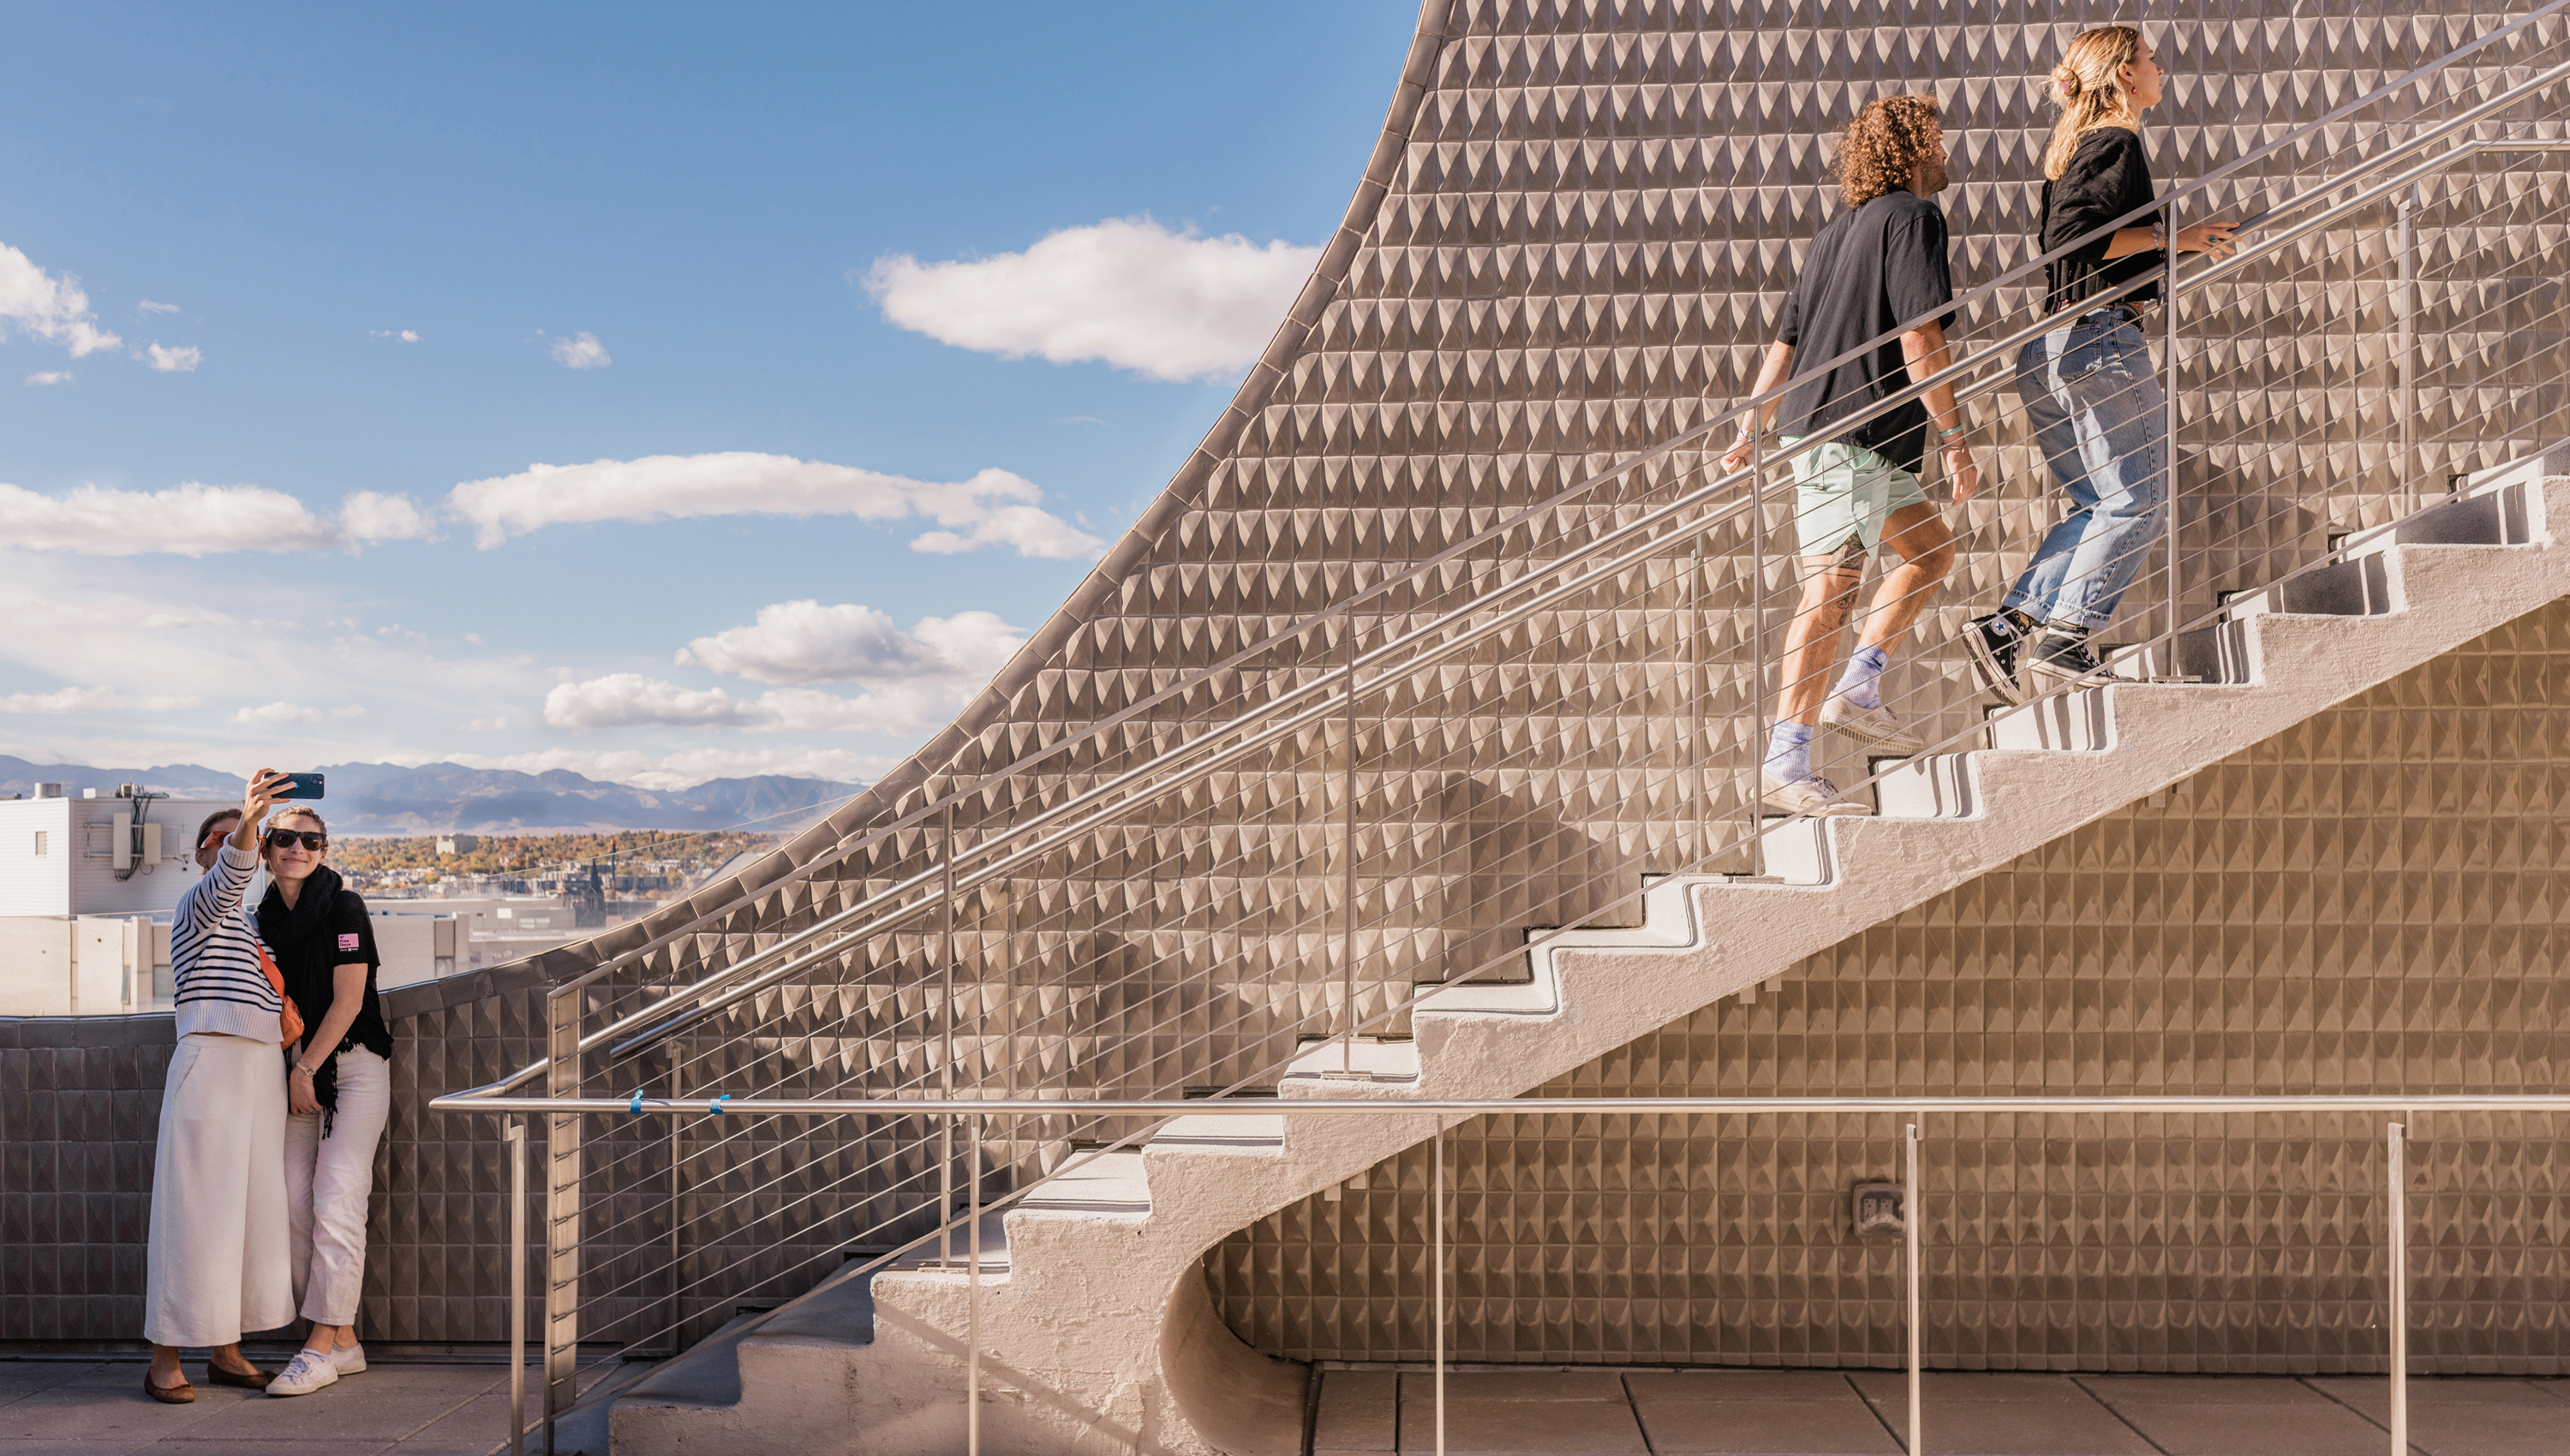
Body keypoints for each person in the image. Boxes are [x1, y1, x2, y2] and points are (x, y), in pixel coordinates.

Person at [1963, 25, 2238, 701]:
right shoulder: (2115, 140)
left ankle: (2011, 626)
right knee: (2140, 500)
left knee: (2101, 503)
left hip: (2060, 344)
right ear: (2121, 74)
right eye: (2150, 59)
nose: (2161, 68)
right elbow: (2072, 239)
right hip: (2098, 342)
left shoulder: (2077, 149)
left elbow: (2076, 242)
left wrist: (2173, 246)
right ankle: (2066, 637)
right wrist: (2181, 235)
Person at [1723, 93, 1980, 816]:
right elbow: (1921, 337)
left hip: (1854, 438)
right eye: (1936, 134)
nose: (1945, 146)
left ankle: (1859, 689)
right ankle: (1786, 760)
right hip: (1851, 434)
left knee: (1930, 553)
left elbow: (1786, 345)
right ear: (1912, 145)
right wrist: (1956, 441)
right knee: (1831, 592)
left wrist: (1750, 429)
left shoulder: (1833, 236)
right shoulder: (1915, 217)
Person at [144, 772, 298, 1403]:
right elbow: (230, 876)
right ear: (205, 851)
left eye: (253, 838)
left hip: (258, 1068)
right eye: (228, 836)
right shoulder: (198, 906)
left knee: (249, 1213)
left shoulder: (249, 929)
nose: (246, 844)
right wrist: (250, 818)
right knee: (195, 1212)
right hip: (211, 1062)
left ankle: (227, 1351)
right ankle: (164, 1361)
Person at [255, 803, 392, 1398]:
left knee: (338, 1197)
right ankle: (345, 1340)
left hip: (352, 1067)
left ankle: (317, 1346)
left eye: (311, 840)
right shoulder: (262, 917)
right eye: (285, 838)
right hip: (298, 1072)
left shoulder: (344, 906)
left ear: (324, 850)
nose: (299, 848)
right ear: (265, 847)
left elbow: (348, 998)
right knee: (290, 1203)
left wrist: (308, 1066)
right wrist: (297, 1068)